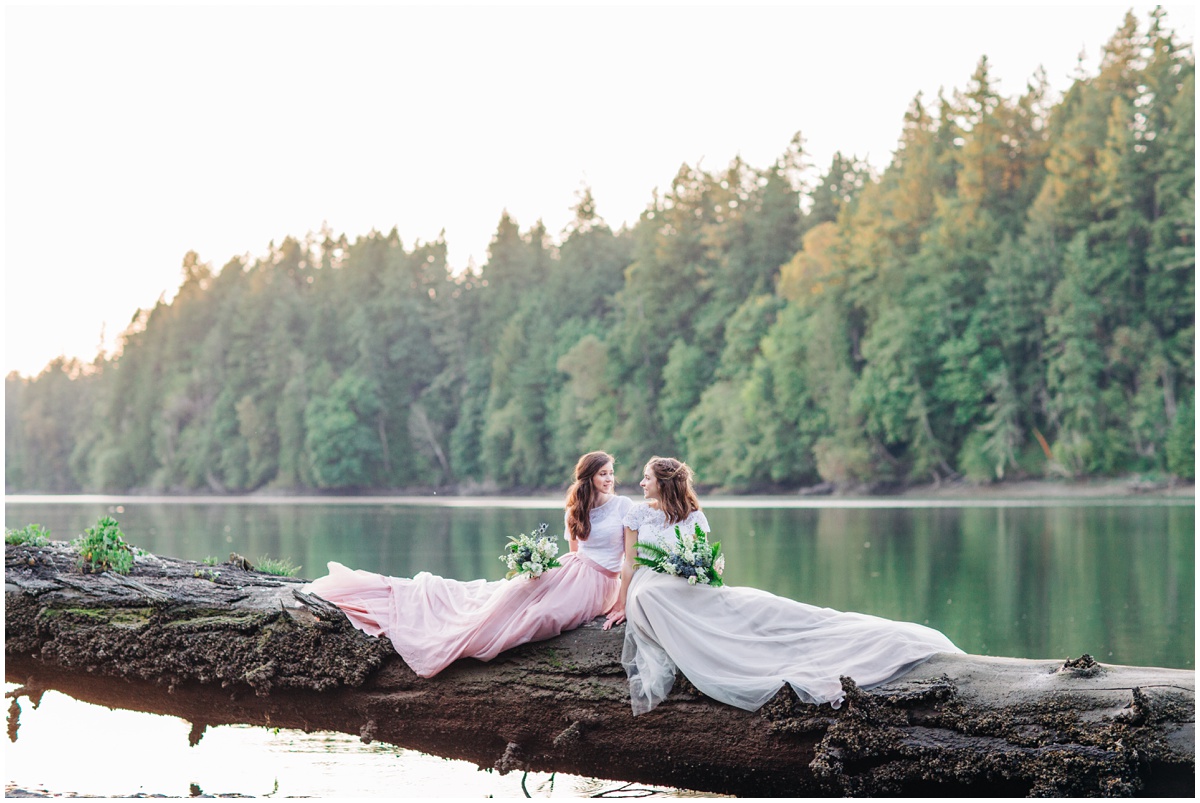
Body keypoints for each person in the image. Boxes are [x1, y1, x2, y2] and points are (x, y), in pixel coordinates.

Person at [605, 456, 963, 715]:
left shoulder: (694, 515)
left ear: (663, 483)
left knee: (759, 605)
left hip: (690, 584)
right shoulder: (636, 514)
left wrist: (700, 574)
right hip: (650, 584)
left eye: (646, 478)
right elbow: (630, 562)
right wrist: (622, 604)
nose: (641, 483)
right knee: (654, 595)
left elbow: (700, 556)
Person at [303, 451, 632, 677]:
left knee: (541, 617)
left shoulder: (624, 507)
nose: (609, 479)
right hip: (569, 570)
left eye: (611, 473)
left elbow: (628, 559)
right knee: (504, 595)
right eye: (603, 474)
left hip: (600, 583)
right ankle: (437, 619)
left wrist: (620, 601)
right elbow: (575, 550)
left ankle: (476, 642)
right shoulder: (575, 510)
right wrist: (541, 570)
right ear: (589, 477)